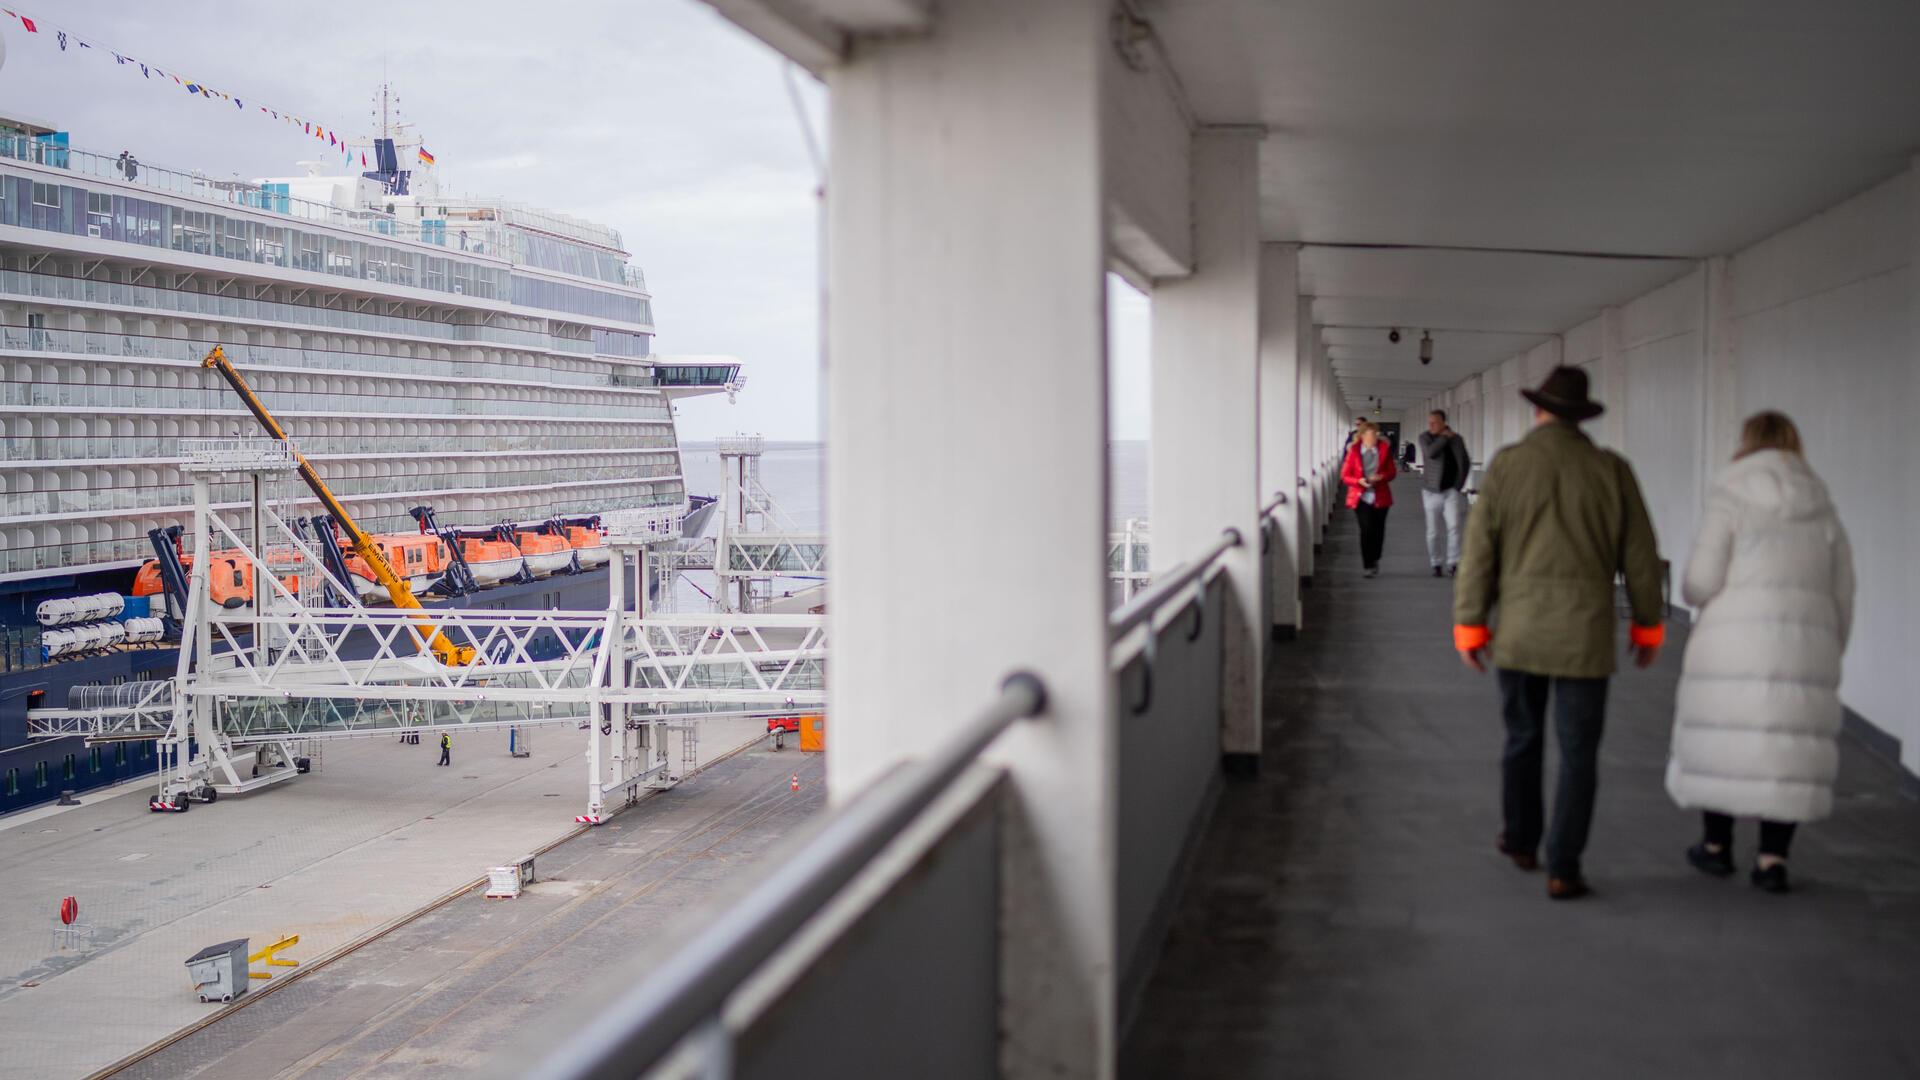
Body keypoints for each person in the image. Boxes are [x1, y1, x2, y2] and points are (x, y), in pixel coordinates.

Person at [1453, 366, 1665, 900]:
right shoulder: (1611, 470)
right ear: (1580, 417)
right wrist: (1648, 625)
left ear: (1538, 410)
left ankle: (1522, 841)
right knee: (1578, 753)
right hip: (1586, 637)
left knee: (1522, 739)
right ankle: (1563, 866)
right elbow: (1640, 557)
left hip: (1521, 632)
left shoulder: (1508, 466)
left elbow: (1479, 553)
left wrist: (1470, 624)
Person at [1666, 412, 1853, 894]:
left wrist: (1695, 593)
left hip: (1731, 642)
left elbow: (1701, 582)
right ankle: (1772, 861)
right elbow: (1844, 590)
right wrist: (1831, 644)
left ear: (1747, 444)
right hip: (1804, 647)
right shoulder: (1822, 504)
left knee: (1724, 738)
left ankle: (1715, 848)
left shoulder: (1729, 496)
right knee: (1789, 749)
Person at [1416, 410, 1472, 578]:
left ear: (1443, 423)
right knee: (1433, 531)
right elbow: (1431, 453)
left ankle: (1453, 562)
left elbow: (1465, 461)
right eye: (1430, 422)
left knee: (1454, 527)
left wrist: (1458, 485)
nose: (1431, 425)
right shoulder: (1425, 437)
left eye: (1435, 422)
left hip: (1451, 491)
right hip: (1431, 491)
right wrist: (1444, 437)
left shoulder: (1457, 439)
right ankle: (1436, 563)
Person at [1340, 419, 1397, 578]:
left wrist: (1381, 476)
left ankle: (1376, 557)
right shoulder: (1353, 452)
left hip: (1380, 496)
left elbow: (1392, 472)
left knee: (1378, 530)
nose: (1374, 438)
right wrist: (1358, 481)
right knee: (1366, 530)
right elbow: (1345, 475)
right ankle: (1368, 565)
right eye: (1371, 435)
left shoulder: (1384, 449)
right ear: (1363, 436)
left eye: (1376, 435)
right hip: (1361, 497)